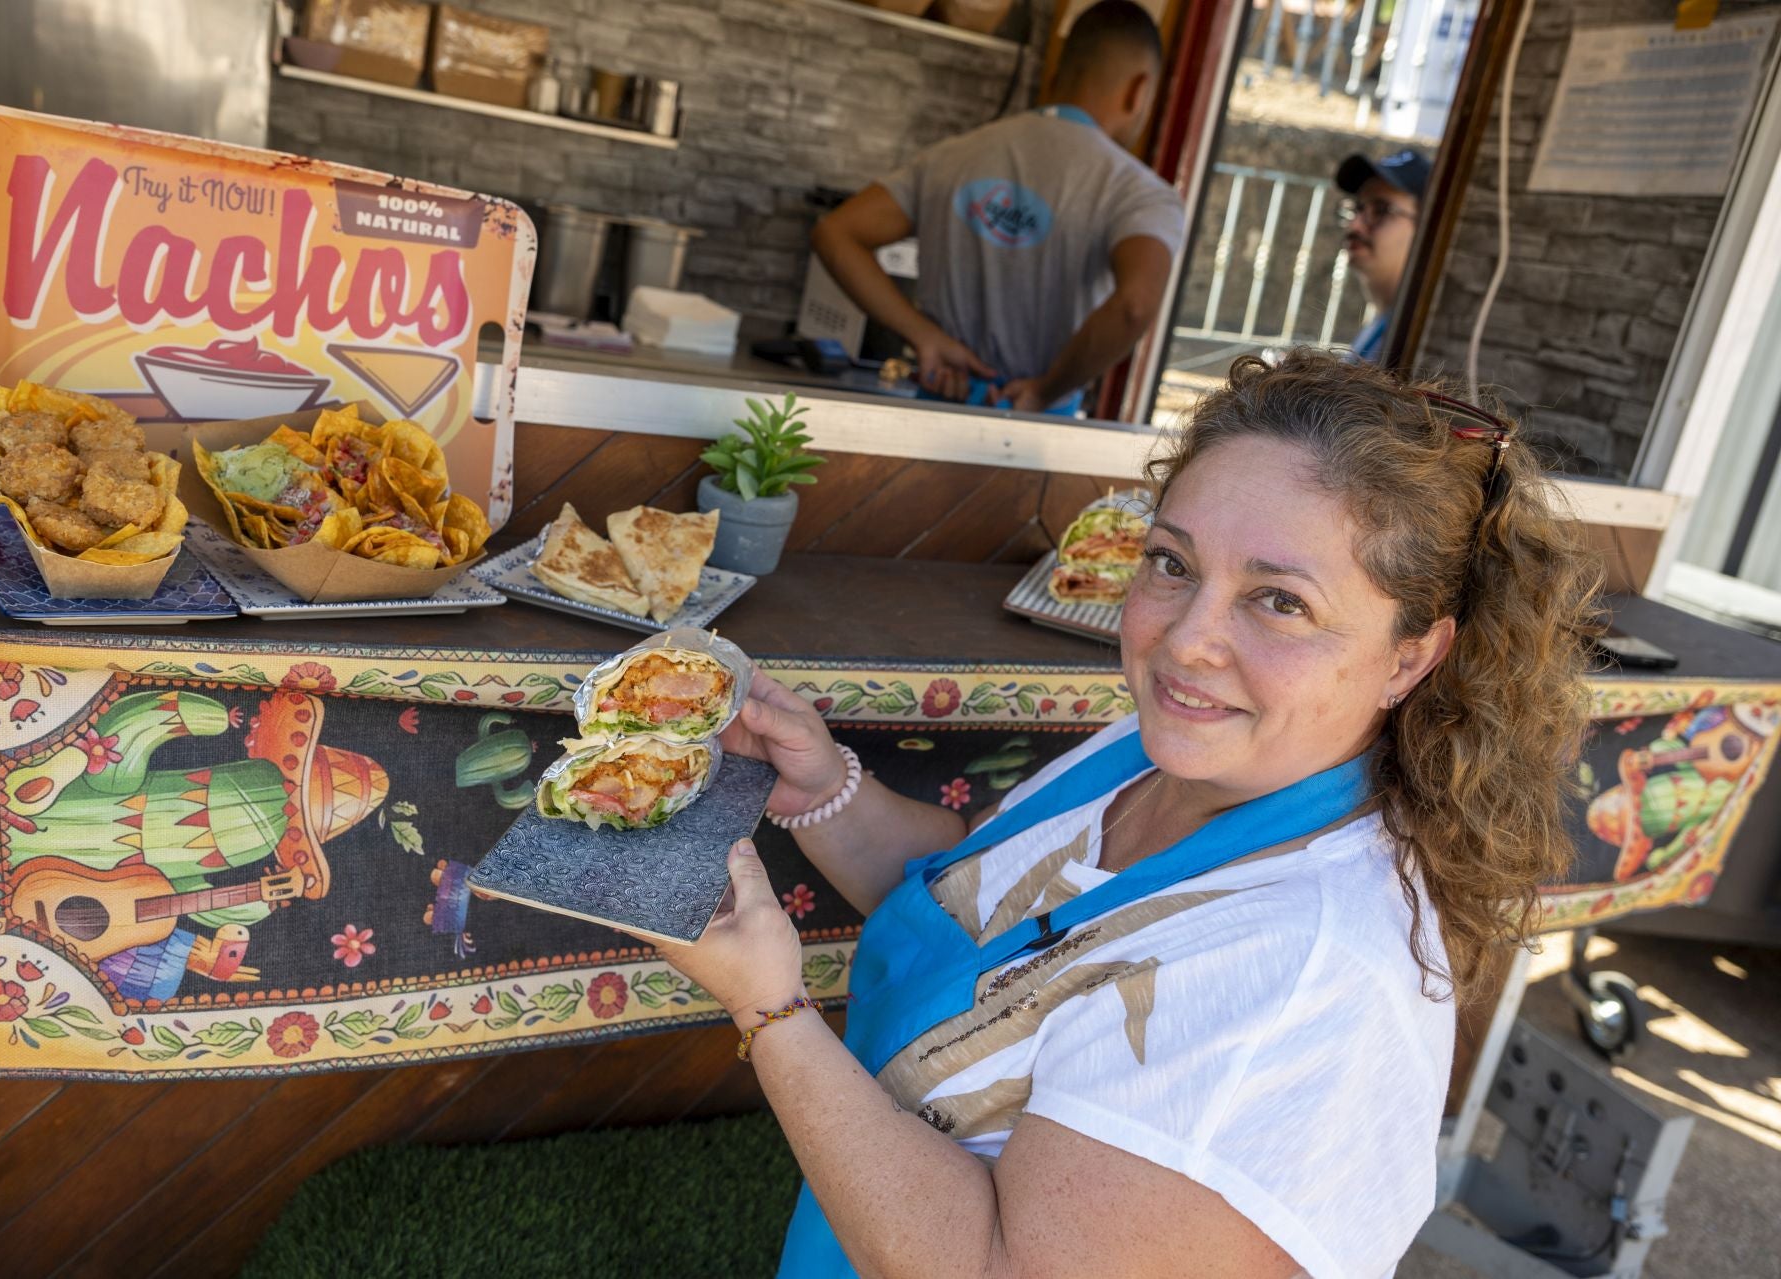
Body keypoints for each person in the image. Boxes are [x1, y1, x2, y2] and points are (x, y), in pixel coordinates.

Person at [647, 349, 1601, 1278]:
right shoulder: (1168, 745)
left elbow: (994, 1265)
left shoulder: (1300, 975)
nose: (1188, 642)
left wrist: (769, 1010)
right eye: (1172, 563)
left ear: (1409, 656)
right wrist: (826, 793)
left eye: (1279, 601)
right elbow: (999, 920)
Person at [811, 0, 1185, 416]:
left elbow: (835, 232)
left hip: (932, 415)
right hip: (1032, 434)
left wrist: (924, 336)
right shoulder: (1137, 192)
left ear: (1062, 70)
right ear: (1139, 91)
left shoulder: (953, 156)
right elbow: (1136, 305)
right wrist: (1045, 391)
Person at [1336, 148, 1429, 363]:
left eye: (1381, 210)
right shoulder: (1385, 323)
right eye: (1358, 209)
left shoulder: (1416, 340)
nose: (1355, 225)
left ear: (1425, 227)